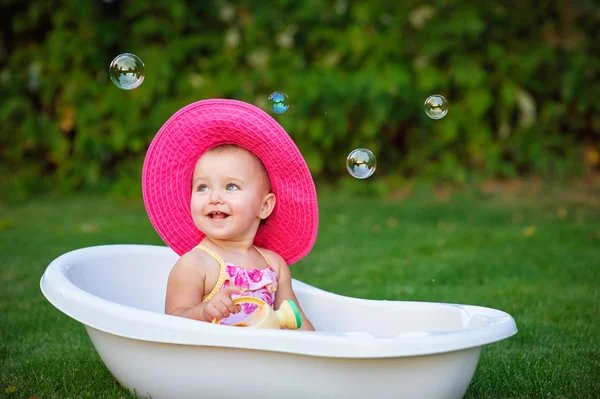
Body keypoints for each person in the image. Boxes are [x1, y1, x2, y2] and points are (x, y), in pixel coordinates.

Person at [142, 99, 319, 330]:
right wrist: (204, 312)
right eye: (202, 187)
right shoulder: (195, 264)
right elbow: (172, 321)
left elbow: (294, 319)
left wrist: (316, 345)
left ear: (264, 206)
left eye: (231, 187)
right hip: (215, 361)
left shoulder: (274, 266)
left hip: (262, 360)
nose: (214, 198)